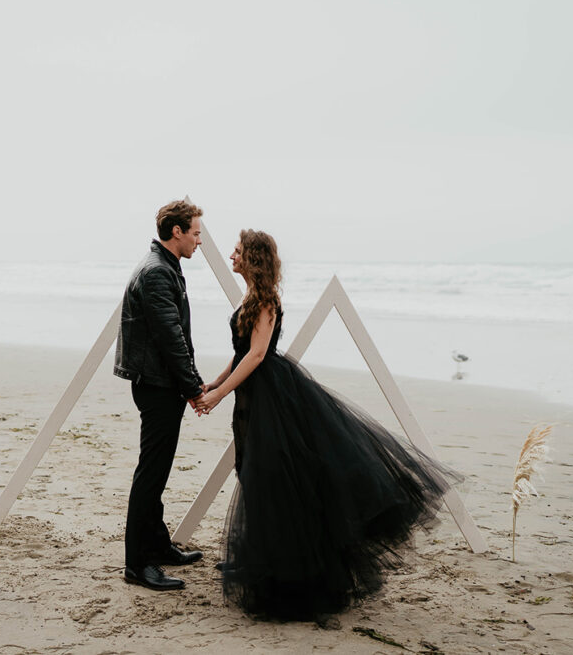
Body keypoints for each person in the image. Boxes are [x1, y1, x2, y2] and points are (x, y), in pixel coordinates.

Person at [195, 230, 457, 620]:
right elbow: (239, 354)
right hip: (251, 398)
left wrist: (217, 396)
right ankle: (263, 557)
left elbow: (257, 355)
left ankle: (285, 572)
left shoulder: (266, 300)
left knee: (270, 477)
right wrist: (214, 383)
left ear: (253, 258)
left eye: (237, 251)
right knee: (250, 471)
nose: (231, 255)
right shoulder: (250, 298)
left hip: (271, 399)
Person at [114, 200, 206, 591]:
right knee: (150, 475)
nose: (199, 240)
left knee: (157, 471)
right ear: (177, 232)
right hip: (156, 385)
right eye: (196, 233)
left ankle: (159, 545)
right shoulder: (157, 273)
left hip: (160, 381)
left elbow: (175, 336)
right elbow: (171, 339)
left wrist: (188, 384)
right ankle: (137, 565)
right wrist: (194, 388)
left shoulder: (165, 267)